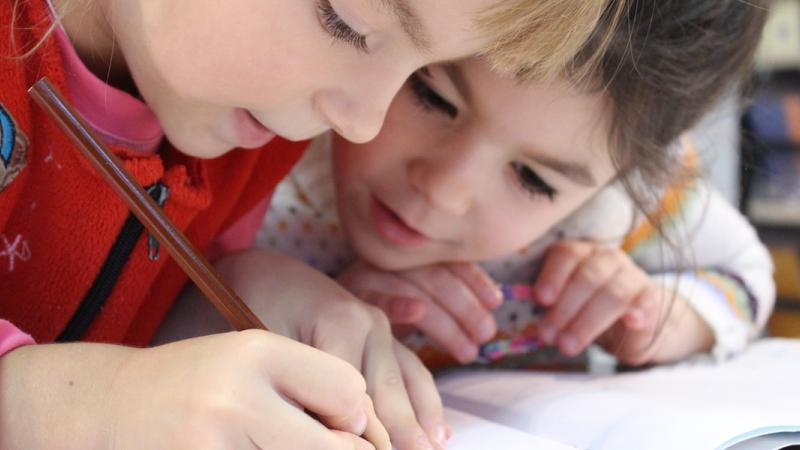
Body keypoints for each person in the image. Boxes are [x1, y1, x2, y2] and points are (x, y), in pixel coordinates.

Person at [0, 0, 623, 449]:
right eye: (346, 22)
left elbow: (120, 333)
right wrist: (101, 410)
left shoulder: (249, 129)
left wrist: (224, 310)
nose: (362, 123)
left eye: (416, 76)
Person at [256, 0, 774, 371]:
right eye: (432, 97)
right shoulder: (271, 141)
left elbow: (747, 276)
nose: (443, 191)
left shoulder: (622, 205)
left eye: (532, 179)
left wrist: (663, 316)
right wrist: (286, 307)